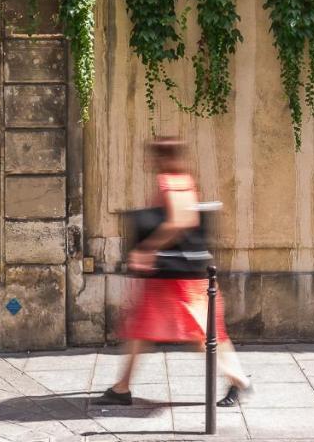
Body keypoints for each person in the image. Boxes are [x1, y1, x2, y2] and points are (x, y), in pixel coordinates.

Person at [96, 137, 251, 407]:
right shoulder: (182, 180)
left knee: (203, 334)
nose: (149, 162)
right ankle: (121, 387)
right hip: (172, 276)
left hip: (176, 279)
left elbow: (182, 221)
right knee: (145, 328)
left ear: (162, 157)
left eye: (153, 157)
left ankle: (239, 380)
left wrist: (147, 248)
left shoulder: (171, 182)